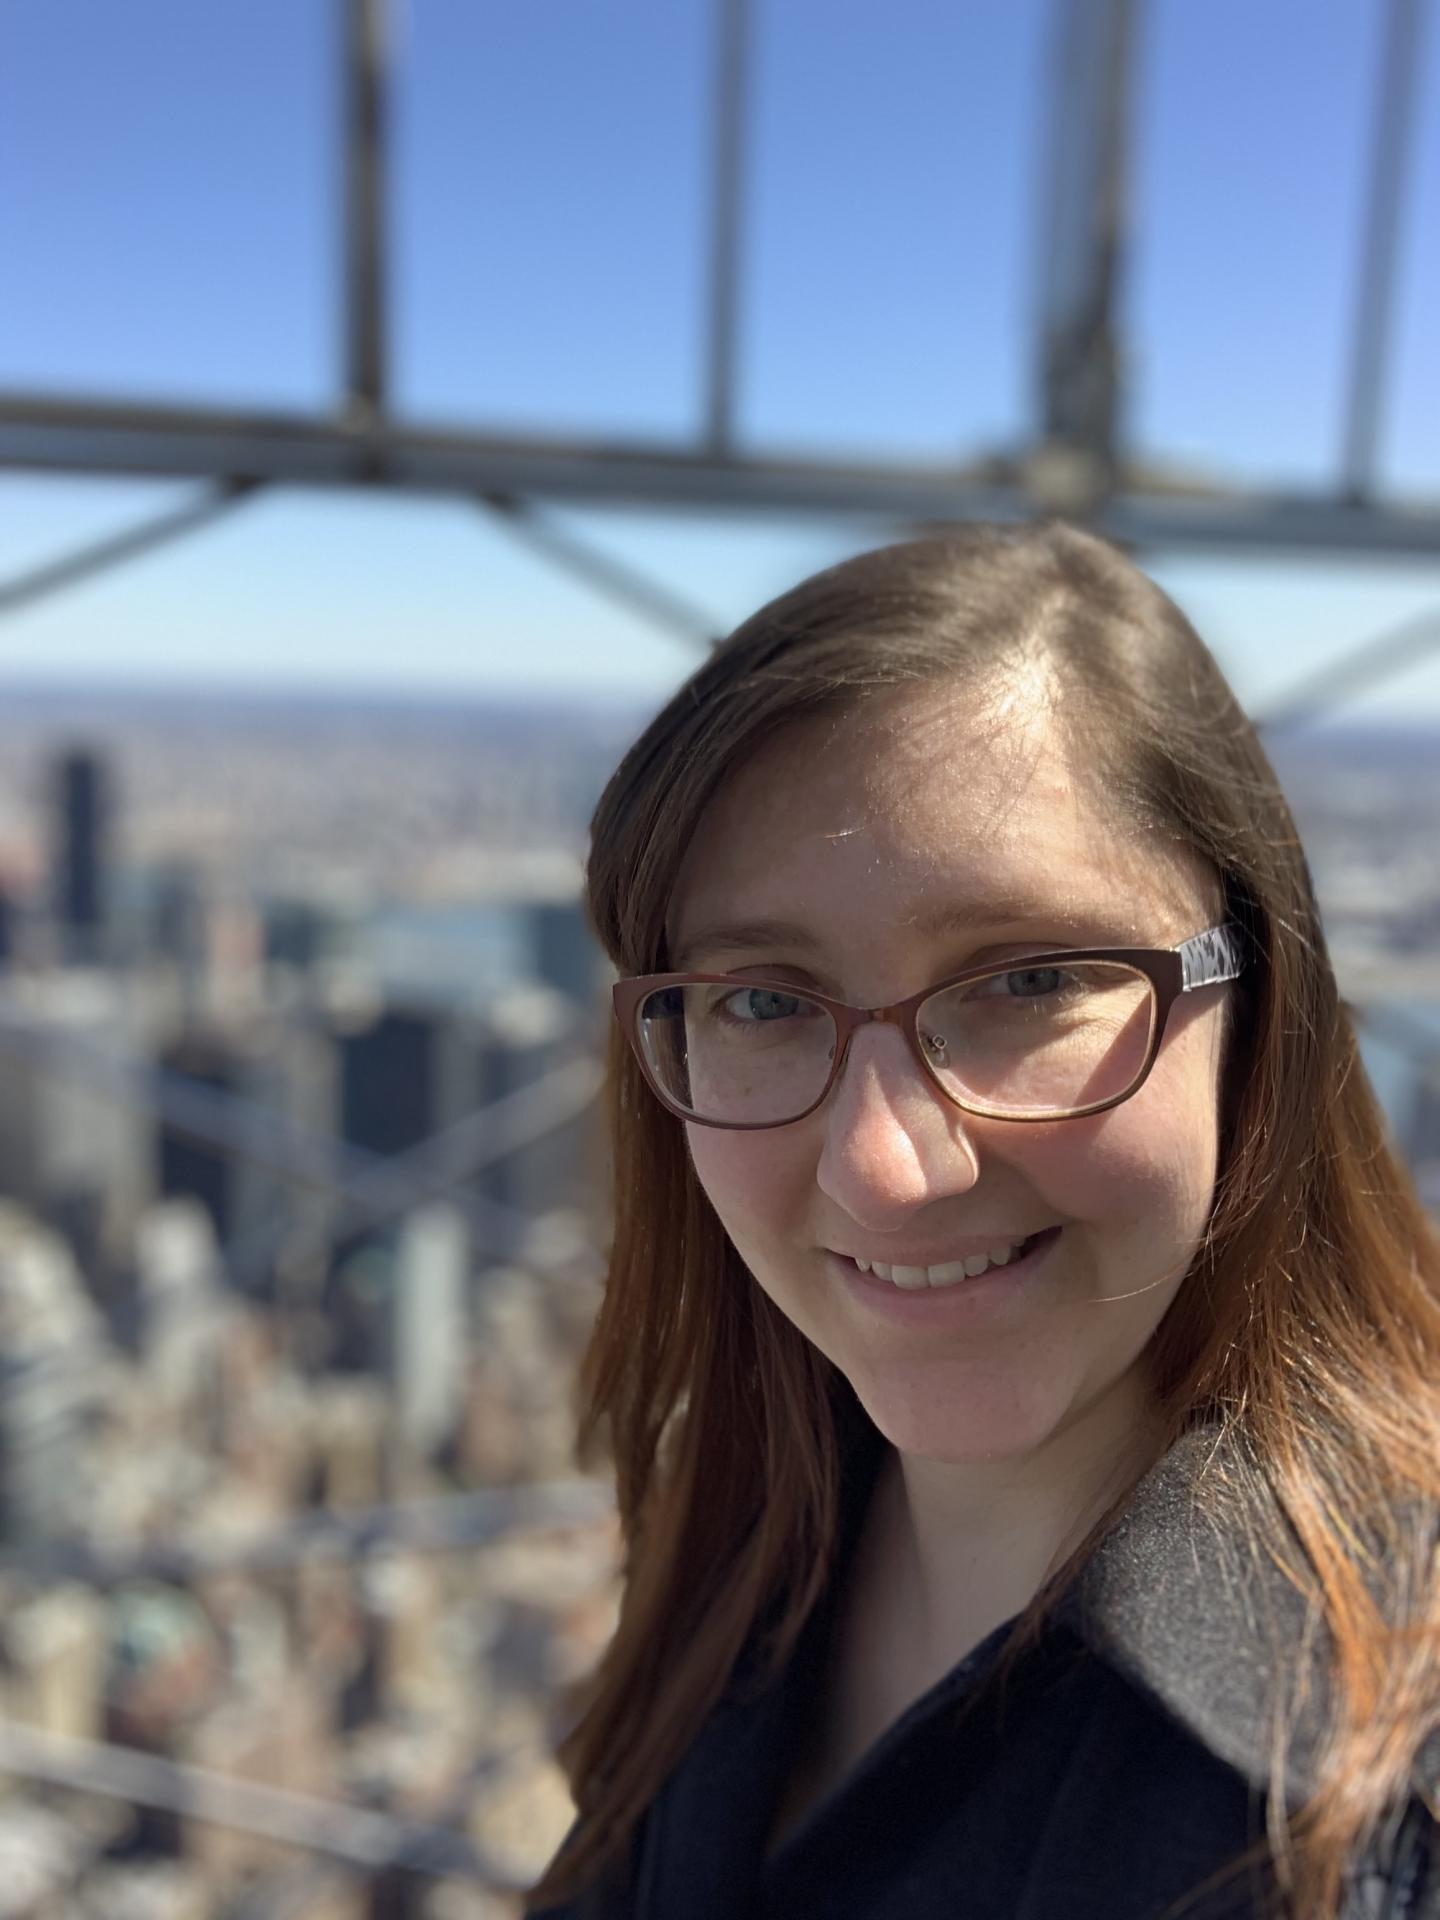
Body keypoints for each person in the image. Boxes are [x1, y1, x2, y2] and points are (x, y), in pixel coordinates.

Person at [527, 524, 1440, 1919]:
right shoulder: (752, 1534)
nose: (885, 1169)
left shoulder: (1385, 1806)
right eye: (761, 1001)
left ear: (1257, 1007)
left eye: (1028, 982)